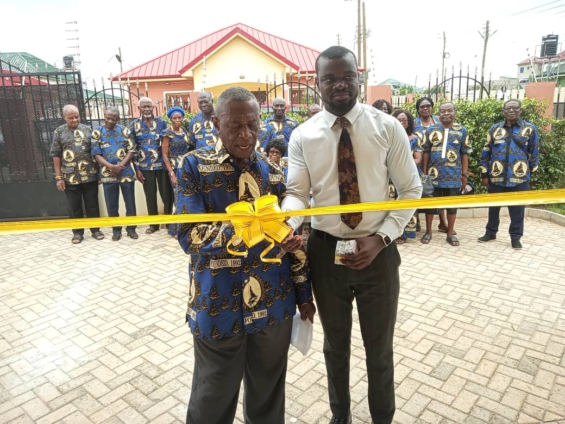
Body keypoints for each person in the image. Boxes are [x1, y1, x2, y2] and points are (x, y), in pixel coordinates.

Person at [283, 46, 422, 424]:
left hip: (378, 253)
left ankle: (382, 418)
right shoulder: (303, 135)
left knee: (380, 350)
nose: (339, 84)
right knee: (335, 347)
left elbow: (411, 189)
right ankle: (340, 416)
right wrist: (287, 224)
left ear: (359, 79)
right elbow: (296, 194)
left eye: (347, 76)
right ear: (317, 84)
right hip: (327, 255)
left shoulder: (387, 127)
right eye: (329, 78)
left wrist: (382, 238)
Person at [176, 86, 316, 424]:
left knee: (267, 398)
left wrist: (303, 294)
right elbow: (188, 234)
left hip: (273, 305)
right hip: (217, 303)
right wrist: (252, 228)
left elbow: (295, 241)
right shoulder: (193, 166)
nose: (245, 134)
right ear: (216, 123)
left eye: (252, 125)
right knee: (211, 398)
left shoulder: (274, 173)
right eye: (235, 125)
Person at [477, 99, 539, 249]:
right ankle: (490, 232)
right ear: (503, 111)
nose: (511, 111)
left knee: (517, 210)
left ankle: (515, 237)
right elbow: (486, 152)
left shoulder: (530, 129)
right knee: (493, 208)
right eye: (508, 108)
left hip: (519, 178)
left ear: (520, 111)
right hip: (496, 176)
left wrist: (530, 174)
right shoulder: (494, 129)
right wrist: (484, 175)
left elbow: (534, 152)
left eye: (515, 108)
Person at [50, 105, 104, 244]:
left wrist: (99, 174)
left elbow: (96, 152)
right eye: (71, 117)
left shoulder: (88, 130)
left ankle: (95, 230)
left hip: (90, 174)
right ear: (64, 117)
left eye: (77, 116)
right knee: (74, 206)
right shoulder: (59, 132)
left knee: (92, 204)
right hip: (70, 177)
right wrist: (58, 177)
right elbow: (56, 155)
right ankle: (78, 233)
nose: (75, 120)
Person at [421, 102, 471, 247]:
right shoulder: (431, 130)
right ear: (439, 114)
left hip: (453, 176)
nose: (446, 113)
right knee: (430, 205)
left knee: (452, 206)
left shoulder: (462, 130)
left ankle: (450, 234)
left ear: (455, 113)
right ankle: (428, 232)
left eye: (450, 110)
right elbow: (426, 152)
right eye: (443, 111)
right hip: (433, 175)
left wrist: (464, 175)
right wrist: (425, 173)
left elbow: (464, 154)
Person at [92, 107, 138, 241]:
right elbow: (96, 154)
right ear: (104, 116)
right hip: (108, 175)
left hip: (126, 173)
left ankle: (131, 229)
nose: (110, 121)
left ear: (118, 119)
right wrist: (111, 167)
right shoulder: (97, 133)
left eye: (113, 119)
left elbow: (131, 150)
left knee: (130, 203)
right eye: (108, 118)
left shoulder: (125, 131)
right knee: (112, 204)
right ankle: (116, 230)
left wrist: (120, 166)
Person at [130, 97, 173, 235]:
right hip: (144, 167)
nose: (147, 109)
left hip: (162, 166)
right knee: (150, 195)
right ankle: (153, 225)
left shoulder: (162, 122)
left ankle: (169, 223)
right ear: (139, 108)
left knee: (167, 194)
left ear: (153, 107)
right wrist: (137, 169)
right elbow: (133, 148)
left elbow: (168, 143)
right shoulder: (134, 125)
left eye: (149, 106)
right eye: (144, 106)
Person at [414, 97, 452, 234]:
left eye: (428, 106)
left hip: (437, 163)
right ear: (418, 109)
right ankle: (416, 221)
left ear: (432, 107)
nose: (425, 108)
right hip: (419, 163)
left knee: (437, 193)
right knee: (419, 192)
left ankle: (442, 222)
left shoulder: (439, 121)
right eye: (422, 106)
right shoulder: (413, 124)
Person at [161, 106, 195, 239]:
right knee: (177, 198)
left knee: (187, 197)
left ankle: (186, 226)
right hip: (174, 169)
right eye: (174, 118)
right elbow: (164, 155)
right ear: (170, 119)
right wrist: (172, 174)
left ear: (182, 118)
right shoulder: (166, 134)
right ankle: (175, 229)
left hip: (185, 167)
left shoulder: (184, 131)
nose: (177, 120)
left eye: (179, 117)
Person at [392, 109, 422, 244]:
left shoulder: (414, 138)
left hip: (408, 175)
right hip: (391, 177)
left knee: (407, 204)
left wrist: (403, 164)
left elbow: (418, 159)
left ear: (409, 122)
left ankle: (405, 234)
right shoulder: (390, 137)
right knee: (393, 204)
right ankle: (394, 233)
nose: (401, 122)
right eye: (399, 120)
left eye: (404, 120)